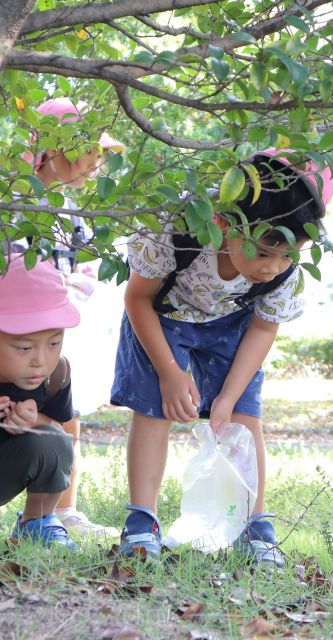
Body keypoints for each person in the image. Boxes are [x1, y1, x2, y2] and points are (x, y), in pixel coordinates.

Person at [110, 148, 333, 565]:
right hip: (161, 315)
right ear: (226, 222)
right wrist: (170, 372)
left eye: (288, 255)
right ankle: (142, 520)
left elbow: (263, 329)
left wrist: (229, 397)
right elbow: (137, 298)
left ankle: (254, 523)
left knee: (245, 419)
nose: (274, 267)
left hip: (232, 324)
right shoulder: (177, 227)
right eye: (264, 252)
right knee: (154, 410)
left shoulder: (284, 273)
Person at [19, 97, 125, 539]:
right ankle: (37, 513)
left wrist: (82, 278)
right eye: (87, 154)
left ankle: (63, 509)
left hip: (62, 329)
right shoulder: (20, 199)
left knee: (68, 412)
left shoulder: (70, 208)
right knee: (26, 415)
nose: (94, 165)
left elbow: (78, 260)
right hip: (22, 332)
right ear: (54, 148)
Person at [0, 256, 81, 549]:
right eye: (23, 347)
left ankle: (37, 523)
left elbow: (59, 436)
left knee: (53, 440)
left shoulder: (56, 373)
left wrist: (34, 421)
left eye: (53, 343)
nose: (40, 361)